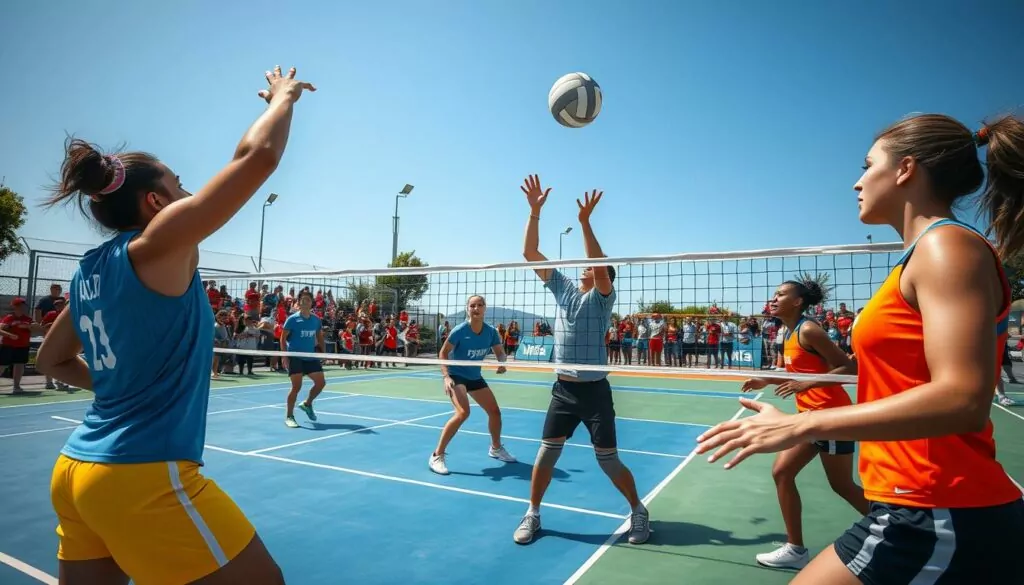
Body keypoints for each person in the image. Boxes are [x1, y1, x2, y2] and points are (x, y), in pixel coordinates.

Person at [696, 113, 1024, 585]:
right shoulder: (921, 258)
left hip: (938, 508)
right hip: (914, 503)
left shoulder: (947, 248)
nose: (856, 182)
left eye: (868, 165)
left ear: (906, 169)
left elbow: (963, 398)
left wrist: (802, 424)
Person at [36, 64, 315, 584]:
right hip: (141, 474)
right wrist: (283, 99)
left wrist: (121, 387)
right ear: (156, 204)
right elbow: (259, 157)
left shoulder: (89, 272)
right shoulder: (158, 244)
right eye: (180, 184)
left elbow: (49, 360)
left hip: (74, 471)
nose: (190, 193)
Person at [513, 175, 650, 546]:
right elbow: (530, 253)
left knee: (608, 461)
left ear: (601, 275)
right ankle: (533, 513)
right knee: (545, 455)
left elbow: (600, 264)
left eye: (589, 267)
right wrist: (535, 212)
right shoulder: (565, 291)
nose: (583, 268)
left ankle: (638, 511)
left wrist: (587, 223)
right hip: (563, 390)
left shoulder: (603, 297)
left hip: (594, 393)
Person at [740, 279, 868, 569]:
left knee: (842, 486)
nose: (773, 299)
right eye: (774, 294)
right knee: (782, 472)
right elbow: (798, 369)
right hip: (808, 420)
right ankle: (796, 549)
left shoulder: (809, 329)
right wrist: (767, 379)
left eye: (781, 294)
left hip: (830, 418)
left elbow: (850, 368)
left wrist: (808, 383)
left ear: (798, 302)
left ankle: (894, 529)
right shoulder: (787, 331)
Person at [430, 295, 515, 475]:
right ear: (468, 309)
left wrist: (502, 362)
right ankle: (437, 455)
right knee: (463, 413)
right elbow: (443, 353)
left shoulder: (491, 331)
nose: (476, 308)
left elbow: (500, 352)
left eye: (480, 305)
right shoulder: (460, 331)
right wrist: (446, 377)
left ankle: (496, 448)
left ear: (485, 308)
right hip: (456, 375)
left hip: (474, 377)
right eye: (472, 305)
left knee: (495, 412)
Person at [282, 289, 327, 428]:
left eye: (308, 299)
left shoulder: (316, 320)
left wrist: (324, 353)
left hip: (310, 356)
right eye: (303, 300)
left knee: (321, 383)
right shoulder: (292, 319)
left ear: (311, 302)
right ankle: (289, 416)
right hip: (295, 356)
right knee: (296, 387)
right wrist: (284, 356)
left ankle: (307, 404)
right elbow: (282, 338)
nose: (305, 301)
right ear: (298, 303)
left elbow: (319, 337)